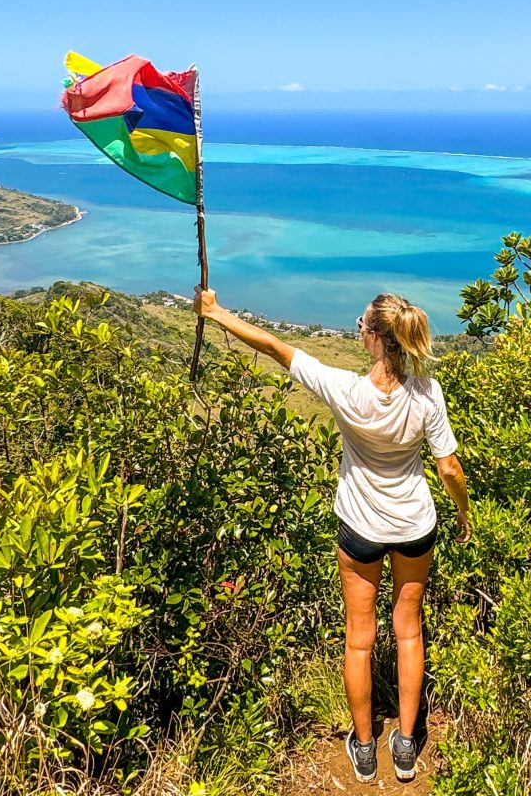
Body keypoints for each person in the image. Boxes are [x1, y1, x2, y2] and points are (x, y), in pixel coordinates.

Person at [193, 288, 472, 784]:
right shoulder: (427, 393)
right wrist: (463, 513)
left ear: (373, 338)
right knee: (409, 629)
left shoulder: (344, 389)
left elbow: (275, 348)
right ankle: (406, 747)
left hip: (361, 528)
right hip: (414, 526)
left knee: (359, 640)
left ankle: (364, 746)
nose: (358, 329)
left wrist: (215, 313)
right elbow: (448, 467)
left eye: (361, 323)